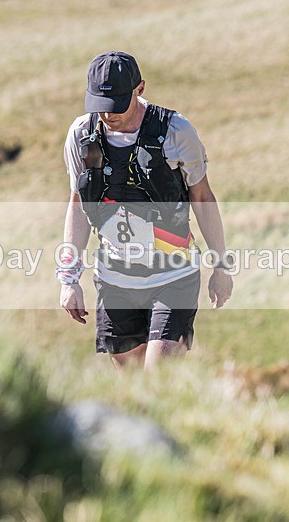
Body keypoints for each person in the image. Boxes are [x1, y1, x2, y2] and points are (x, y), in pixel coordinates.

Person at [59, 51, 233, 370]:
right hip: (114, 281)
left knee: (157, 375)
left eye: (117, 104)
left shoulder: (176, 131)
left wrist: (221, 267)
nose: (107, 114)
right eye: (100, 104)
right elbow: (79, 206)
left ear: (139, 88)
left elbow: (203, 199)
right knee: (132, 385)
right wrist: (69, 279)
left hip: (174, 275)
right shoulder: (81, 135)